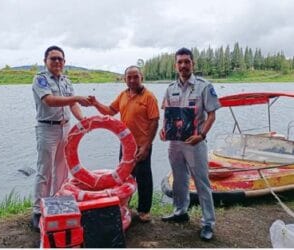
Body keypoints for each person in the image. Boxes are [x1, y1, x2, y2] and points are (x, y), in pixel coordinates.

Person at [160, 48, 220, 241]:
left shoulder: (204, 86)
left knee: (202, 183)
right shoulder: (170, 88)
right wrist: (163, 129)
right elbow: (167, 112)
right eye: (180, 62)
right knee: (179, 180)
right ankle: (180, 211)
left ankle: (208, 223)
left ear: (192, 63)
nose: (183, 65)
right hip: (175, 143)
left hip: (195, 142)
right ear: (175, 65)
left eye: (187, 61)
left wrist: (201, 135)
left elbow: (212, 114)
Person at [88, 66, 159, 222]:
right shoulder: (123, 95)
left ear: (142, 77)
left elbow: (154, 121)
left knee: (144, 178)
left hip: (142, 145)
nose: (132, 80)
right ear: (124, 79)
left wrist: (147, 146)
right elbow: (109, 111)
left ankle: (144, 211)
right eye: (129, 77)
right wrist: (95, 103)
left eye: (136, 77)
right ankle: (125, 205)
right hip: (126, 145)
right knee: (124, 176)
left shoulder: (149, 97)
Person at [31, 45, 90, 232]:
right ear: (45, 61)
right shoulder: (40, 79)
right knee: (44, 171)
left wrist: (83, 120)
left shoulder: (66, 81)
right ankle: (38, 211)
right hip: (47, 129)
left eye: (60, 59)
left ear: (64, 62)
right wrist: (77, 98)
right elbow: (49, 100)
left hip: (66, 128)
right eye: (53, 58)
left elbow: (73, 105)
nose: (57, 62)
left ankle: (57, 204)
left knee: (62, 169)